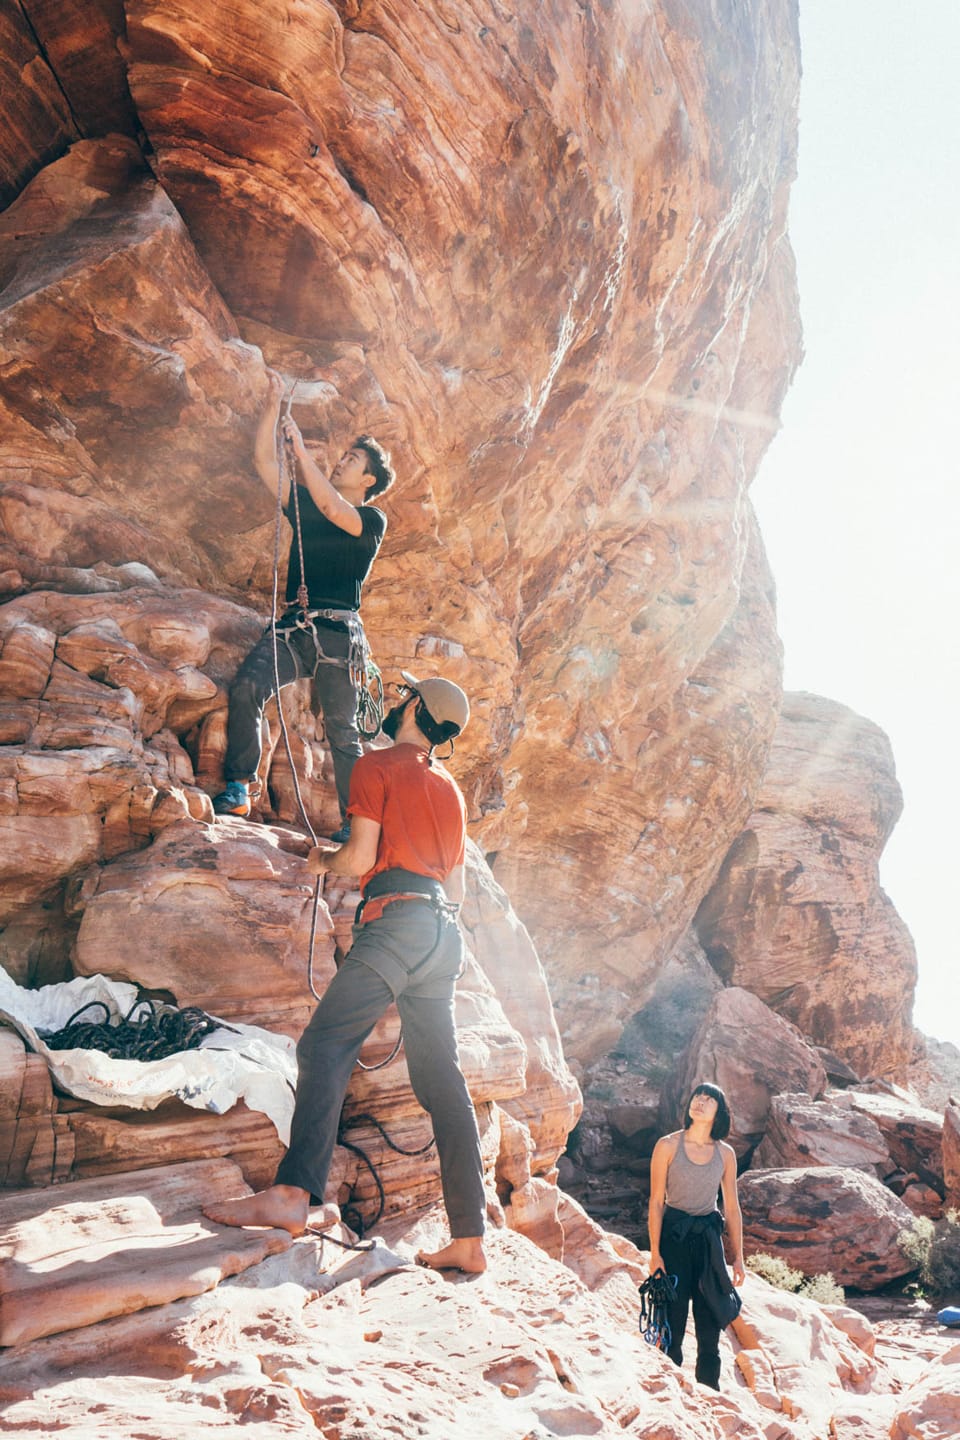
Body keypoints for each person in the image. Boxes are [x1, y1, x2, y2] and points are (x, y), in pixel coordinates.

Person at [204, 671, 487, 1274]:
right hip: (442, 934)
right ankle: (470, 1239)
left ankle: (291, 1195)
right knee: (442, 1083)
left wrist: (321, 859)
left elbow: (358, 857)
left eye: (402, 696)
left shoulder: (377, 766)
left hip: (397, 923)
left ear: (413, 707)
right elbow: (456, 886)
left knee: (325, 1046)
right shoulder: (452, 790)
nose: (394, 701)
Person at [213, 372, 394, 841]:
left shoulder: (371, 519)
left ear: (368, 479)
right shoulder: (308, 506)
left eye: (352, 460)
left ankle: (355, 826)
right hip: (296, 628)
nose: (342, 462)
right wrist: (274, 406)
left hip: (338, 635)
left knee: (342, 732)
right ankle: (239, 787)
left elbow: (337, 510)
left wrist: (301, 451)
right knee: (250, 686)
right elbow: (262, 461)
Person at [647, 1082, 746, 1390]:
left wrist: (738, 1258)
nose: (699, 1102)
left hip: (708, 1243)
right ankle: (671, 1395)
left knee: (709, 1328)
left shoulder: (725, 1154)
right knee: (672, 1325)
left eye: (709, 1099)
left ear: (719, 1112)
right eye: (697, 1097)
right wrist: (654, 1253)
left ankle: (711, 1396)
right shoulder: (667, 1145)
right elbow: (655, 1201)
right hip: (674, 1239)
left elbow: (732, 1206)